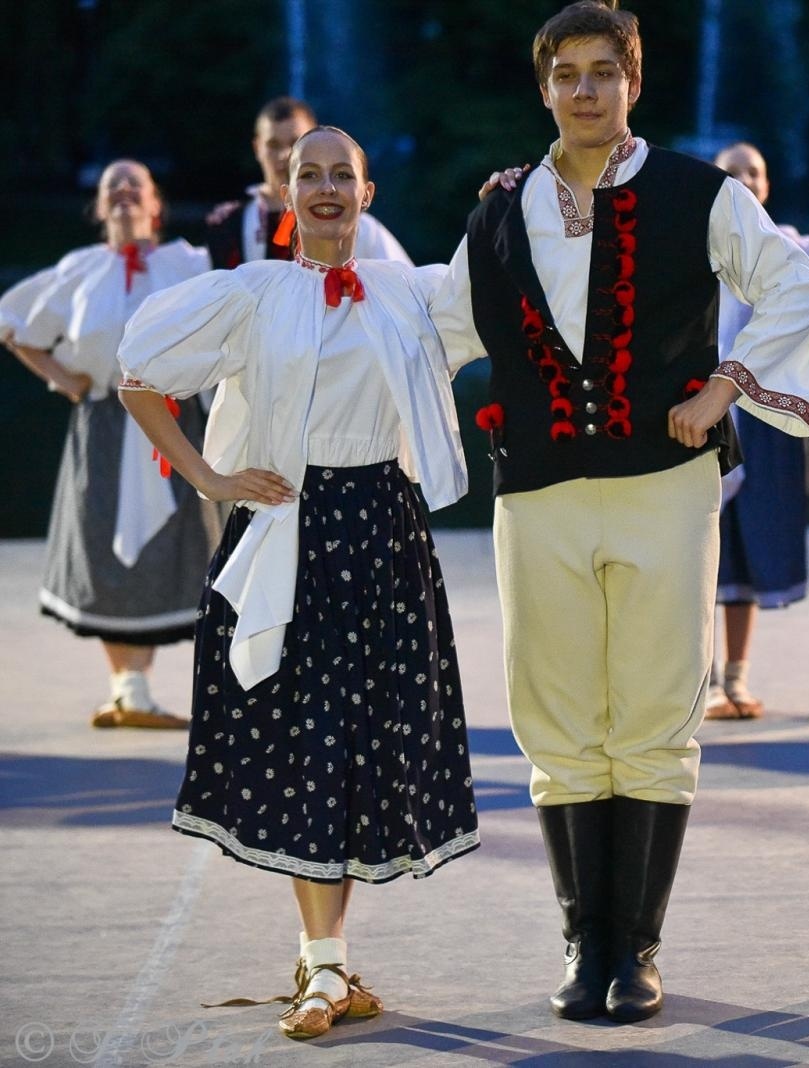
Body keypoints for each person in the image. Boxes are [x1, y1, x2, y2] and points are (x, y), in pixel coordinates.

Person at [450, 0, 809, 1023]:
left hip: (664, 485)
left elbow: (797, 290)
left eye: (601, 72)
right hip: (539, 488)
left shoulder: (700, 195)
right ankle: (586, 947)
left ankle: (639, 955)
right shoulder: (498, 210)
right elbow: (432, 330)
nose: (583, 90)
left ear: (633, 83)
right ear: (543, 89)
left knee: (657, 714)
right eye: (565, 73)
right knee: (558, 720)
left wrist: (722, 389)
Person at [117, 126, 479, 1041]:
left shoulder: (412, 290)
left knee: (357, 753)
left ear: (367, 192)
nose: (324, 189)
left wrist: (516, 199)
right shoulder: (252, 294)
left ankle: (328, 965)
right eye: (307, 175)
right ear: (285, 195)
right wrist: (208, 476)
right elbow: (137, 374)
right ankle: (323, 966)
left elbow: (513, 292)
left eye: (341, 176)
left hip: (383, 540)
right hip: (285, 528)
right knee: (307, 750)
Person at [1, 160, 216, 728]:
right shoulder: (80, 268)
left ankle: (219, 695)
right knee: (105, 552)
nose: (122, 194)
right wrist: (59, 376)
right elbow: (13, 322)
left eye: (134, 186)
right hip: (104, 422)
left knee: (187, 549)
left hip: (175, 421)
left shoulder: (188, 262)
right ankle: (129, 691)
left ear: (154, 205)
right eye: (111, 188)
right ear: (99, 208)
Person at [704, 142, 809, 720]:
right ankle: (701, 682)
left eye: (755, 170)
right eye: (732, 172)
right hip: (700, 408)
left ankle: (736, 679)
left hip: (762, 413)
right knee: (698, 552)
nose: (744, 179)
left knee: (747, 552)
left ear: (767, 184)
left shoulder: (790, 244)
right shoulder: (694, 244)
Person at [205, 96, 412, 268]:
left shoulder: (355, 226)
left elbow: (406, 290)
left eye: (296, 143)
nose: (285, 155)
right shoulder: (228, 223)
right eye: (273, 145)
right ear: (257, 147)